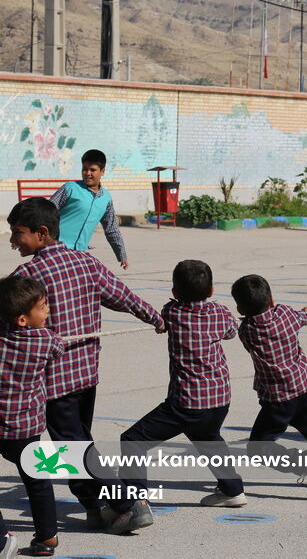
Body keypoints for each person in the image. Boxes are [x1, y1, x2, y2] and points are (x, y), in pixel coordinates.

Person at [7, 198, 163, 532]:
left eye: (18, 233)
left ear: (41, 232)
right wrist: (155, 318)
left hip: (54, 383)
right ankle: (96, 507)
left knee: (75, 450)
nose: (12, 240)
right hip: (86, 376)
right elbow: (123, 296)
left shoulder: (27, 276)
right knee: (77, 446)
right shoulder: (86, 263)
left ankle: (128, 503)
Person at [110, 260, 245, 528]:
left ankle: (136, 502)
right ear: (211, 290)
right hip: (219, 399)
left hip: (187, 402)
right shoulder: (219, 312)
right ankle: (232, 489)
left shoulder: (172, 312)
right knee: (207, 437)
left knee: (133, 440)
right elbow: (232, 331)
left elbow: (163, 315)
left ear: (174, 291)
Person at [231, 275, 307, 494]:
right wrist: (306, 312)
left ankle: (304, 463)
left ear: (240, 309)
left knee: (258, 448)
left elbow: (249, 335)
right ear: (272, 300)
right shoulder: (285, 313)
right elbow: (302, 317)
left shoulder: (247, 330)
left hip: (277, 400)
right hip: (305, 388)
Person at [0, 276, 64, 557]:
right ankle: (47, 536)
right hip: (26, 426)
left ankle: (2, 535)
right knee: (37, 481)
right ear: (23, 319)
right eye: (43, 306)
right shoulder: (46, 340)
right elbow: (59, 350)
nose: (48, 310)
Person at [49, 149, 129, 270]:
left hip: (78, 255)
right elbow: (46, 211)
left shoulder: (106, 198)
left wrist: (122, 255)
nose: (88, 173)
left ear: (102, 171)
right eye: (85, 169)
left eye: (92, 170)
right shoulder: (70, 188)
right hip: (55, 250)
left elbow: (111, 229)